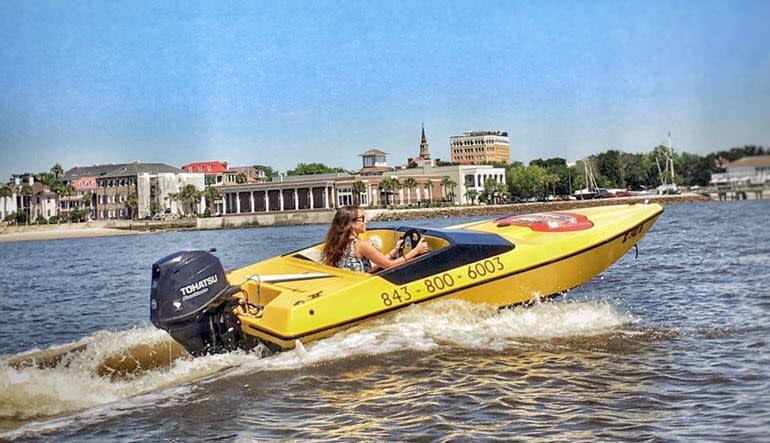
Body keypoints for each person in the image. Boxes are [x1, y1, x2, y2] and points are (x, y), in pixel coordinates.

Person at [321, 205, 429, 272]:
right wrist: (416, 251)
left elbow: (372, 264)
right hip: (364, 286)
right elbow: (389, 265)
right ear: (351, 223)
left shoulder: (339, 243)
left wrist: (394, 251)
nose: (366, 222)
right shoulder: (360, 245)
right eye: (362, 219)